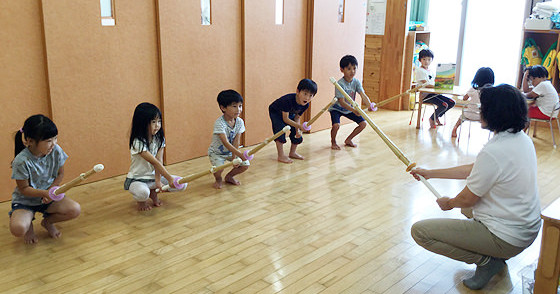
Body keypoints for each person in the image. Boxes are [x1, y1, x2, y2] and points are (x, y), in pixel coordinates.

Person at [410, 84, 541, 290]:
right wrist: (431, 173)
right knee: (467, 210)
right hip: (527, 228)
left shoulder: (495, 151)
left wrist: (448, 203)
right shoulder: (520, 138)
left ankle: (488, 261)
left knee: (420, 232)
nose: (480, 111)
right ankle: (493, 255)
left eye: (484, 107)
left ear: (495, 113)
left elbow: (466, 199)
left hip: (509, 237)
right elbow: (475, 168)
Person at [10, 114, 81, 244]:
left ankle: (47, 222)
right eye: (48, 141)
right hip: (25, 200)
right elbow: (24, 188)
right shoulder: (21, 161)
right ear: (30, 141)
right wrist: (44, 193)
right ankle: (29, 225)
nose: (53, 144)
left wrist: (51, 190)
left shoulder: (56, 151)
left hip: (48, 196)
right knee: (18, 229)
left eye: (55, 138)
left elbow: (60, 174)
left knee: (75, 209)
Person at [124, 102, 184, 211]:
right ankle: (142, 200)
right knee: (142, 193)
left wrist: (158, 181)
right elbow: (154, 162)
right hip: (138, 180)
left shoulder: (159, 138)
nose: (157, 125)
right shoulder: (137, 142)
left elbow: (159, 160)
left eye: (159, 121)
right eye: (153, 122)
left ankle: (153, 192)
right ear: (142, 123)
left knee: (182, 183)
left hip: (153, 178)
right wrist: (169, 178)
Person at [329, 55, 375, 150]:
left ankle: (349, 139)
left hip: (349, 109)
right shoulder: (339, 84)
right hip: (337, 108)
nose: (352, 71)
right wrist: (354, 110)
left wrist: (370, 105)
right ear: (342, 70)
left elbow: (363, 95)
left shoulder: (356, 82)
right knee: (336, 125)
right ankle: (333, 142)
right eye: (349, 69)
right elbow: (341, 102)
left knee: (363, 124)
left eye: (354, 68)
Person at [269, 78, 318, 163]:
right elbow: (285, 119)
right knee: (280, 130)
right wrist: (300, 126)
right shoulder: (287, 100)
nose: (307, 97)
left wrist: (298, 130)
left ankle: (292, 152)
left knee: (296, 133)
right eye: (305, 94)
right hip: (276, 112)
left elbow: (297, 118)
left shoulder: (306, 105)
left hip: (289, 114)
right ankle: (281, 156)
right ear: (298, 91)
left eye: (311, 95)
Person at [208, 90, 250, 188]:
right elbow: (226, 143)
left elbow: (236, 141)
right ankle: (218, 179)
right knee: (219, 169)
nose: (238, 110)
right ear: (223, 108)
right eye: (234, 106)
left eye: (240, 106)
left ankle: (229, 176)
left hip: (231, 152)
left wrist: (234, 157)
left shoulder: (239, 122)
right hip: (217, 153)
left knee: (245, 165)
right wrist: (240, 155)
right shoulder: (219, 123)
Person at [415, 49, 456, 128]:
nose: (426, 61)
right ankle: (432, 119)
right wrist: (439, 85)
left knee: (452, 102)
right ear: (420, 60)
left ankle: (436, 117)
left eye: (429, 59)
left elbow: (434, 82)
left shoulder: (431, 71)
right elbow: (426, 84)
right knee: (444, 105)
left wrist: (444, 83)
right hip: (425, 96)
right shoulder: (420, 71)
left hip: (434, 94)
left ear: (432, 60)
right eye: (424, 59)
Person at [451, 67, 495, 137]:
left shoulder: (472, 89)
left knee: (461, 117)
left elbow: (464, 98)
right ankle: (494, 134)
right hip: (482, 117)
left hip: (469, 114)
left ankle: (455, 128)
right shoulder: (492, 92)